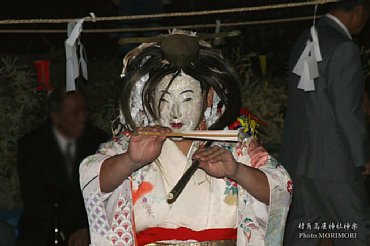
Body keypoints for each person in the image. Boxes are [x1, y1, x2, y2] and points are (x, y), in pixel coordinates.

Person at [80, 32, 292, 245]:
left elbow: (280, 188)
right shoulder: (134, 143)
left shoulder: (234, 145)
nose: (176, 113)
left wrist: (237, 170)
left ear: (208, 97)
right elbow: (92, 179)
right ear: (149, 97)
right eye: (164, 99)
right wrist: (130, 161)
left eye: (187, 98)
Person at [280, 1, 370, 245]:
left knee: (304, 231)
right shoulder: (343, 47)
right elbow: (348, 111)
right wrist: (361, 157)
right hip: (332, 164)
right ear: (359, 10)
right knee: (353, 232)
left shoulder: (306, 38)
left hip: (299, 160)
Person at [17, 86, 108, 246]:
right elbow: (35, 200)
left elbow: (103, 192)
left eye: (84, 111)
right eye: (74, 113)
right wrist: (66, 232)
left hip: (89, 225)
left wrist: (85, 228)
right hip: (45, 227)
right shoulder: (32, 145)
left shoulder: (98, 141)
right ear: (56, 116)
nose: (82, 118)